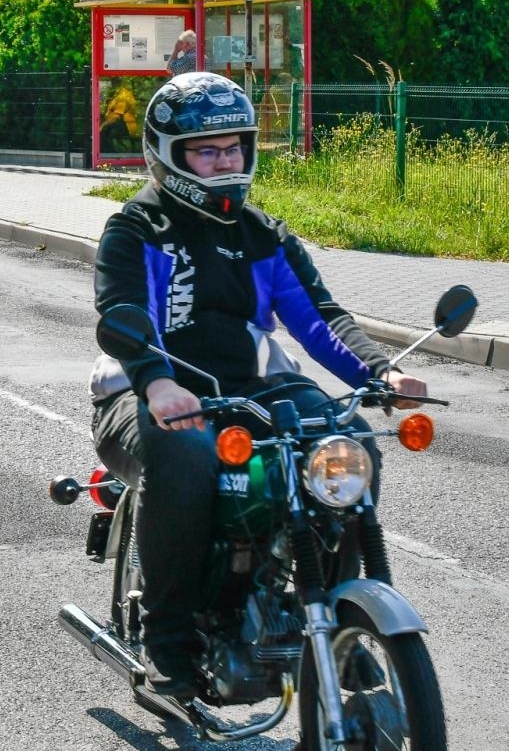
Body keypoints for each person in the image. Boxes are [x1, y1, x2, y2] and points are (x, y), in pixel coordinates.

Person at [89, 71, 428, 699]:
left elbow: (322, 319)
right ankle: (171, 642)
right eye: (206, 150)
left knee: (350, 439)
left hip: (251, 386)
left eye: (234, 147)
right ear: (168, 153)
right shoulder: (136, 228)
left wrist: (382, 372)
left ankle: (332, 614)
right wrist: (157, 383)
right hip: (140, 393)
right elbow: (121, 315)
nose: (225, 161)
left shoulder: (263, 234)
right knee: (188, 455)